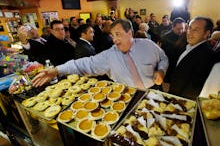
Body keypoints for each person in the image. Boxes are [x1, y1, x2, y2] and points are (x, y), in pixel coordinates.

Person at [31, 19, 168, 90]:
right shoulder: (109, 56)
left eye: (118, 35)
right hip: (128, 96)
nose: (114, 40)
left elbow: (163, 58)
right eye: (113, 35)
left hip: (153, 90)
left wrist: (161, 70)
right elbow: (83, 64)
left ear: (130, 33)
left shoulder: (148, 45)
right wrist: (56, 70)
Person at [169, 16, 215, 100]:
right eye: (189, 28)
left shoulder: (207, 55)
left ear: (206, 34)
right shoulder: (188, 46)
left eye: (196, 30)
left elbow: (194, 88)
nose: (189, 32)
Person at [160, 17, 187, 84]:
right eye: (178, 29)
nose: (181, 31)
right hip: (170, 66)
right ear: (173, 27)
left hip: (181, 66)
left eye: (182, 28)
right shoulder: (165, 38)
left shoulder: (186, 36)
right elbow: (165, 55)